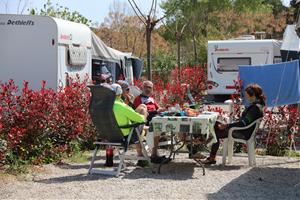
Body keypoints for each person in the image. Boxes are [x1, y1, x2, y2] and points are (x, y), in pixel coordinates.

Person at [203, 83, 266, 165]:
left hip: (243, 132)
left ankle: (209, 153)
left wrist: (227, 125)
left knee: (215, 130)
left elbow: (243, 123)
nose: (246, 97)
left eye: (247, 95)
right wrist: (227, 124)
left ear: (252, 95)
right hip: (245, 130)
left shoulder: (255, 108)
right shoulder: (258, 105)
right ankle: (211, 155)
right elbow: (244, 122)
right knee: (215, 125)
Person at [133, 80, 169, 163]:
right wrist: (156, 112)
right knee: (157, 127)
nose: (148, 89)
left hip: (156, 118)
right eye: (146, 87)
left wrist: (163, 109)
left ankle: (155, 154)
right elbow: (140, 113)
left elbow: (158, 108)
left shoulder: (152, 99)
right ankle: (154, 155)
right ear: (142, 88)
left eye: (150, 88)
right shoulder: (138, 99)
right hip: (146, 120)